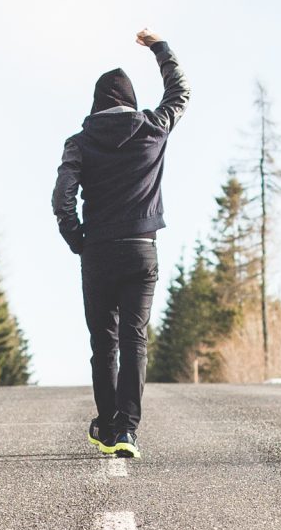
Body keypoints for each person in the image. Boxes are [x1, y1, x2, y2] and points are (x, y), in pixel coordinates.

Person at [52, 30, 189, 456]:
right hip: (141, 249)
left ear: (96, 105)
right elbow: (179, 93)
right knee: (134, 341)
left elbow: (62, 196)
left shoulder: (80, 142)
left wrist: (77, 239)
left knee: (104, 344)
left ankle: (107, 424)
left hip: (98, 252)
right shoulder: (153, 128)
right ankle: (127, 430)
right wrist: (159, 47)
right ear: (131, 100)